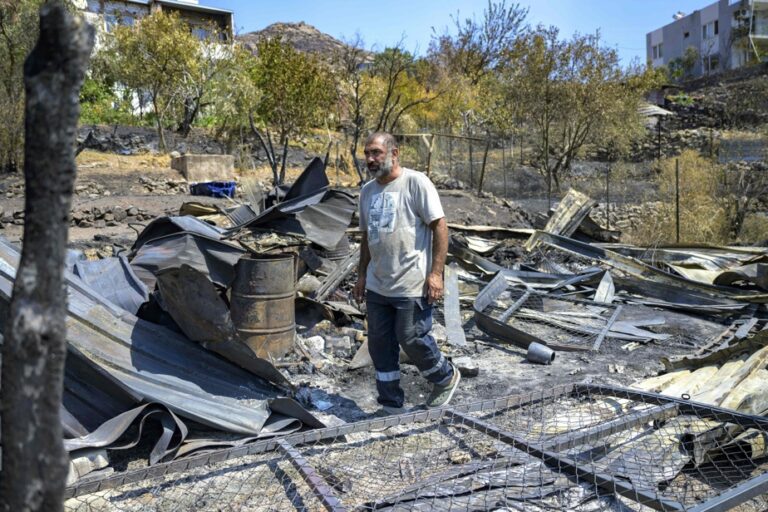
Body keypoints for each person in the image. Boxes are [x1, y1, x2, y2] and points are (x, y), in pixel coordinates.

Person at [353, 132, 460, 416]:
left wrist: (436, 274)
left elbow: (440, 227)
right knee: (379, 343)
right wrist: (362, 276)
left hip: (411, 282)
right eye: (367, 154)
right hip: (378, 284)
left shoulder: (415, 183)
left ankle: (445, 378)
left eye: (376, 152)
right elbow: (367, 237)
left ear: (394, 153)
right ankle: (390, 403)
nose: (371, 159)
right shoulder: (367, 192)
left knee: (411, 337)